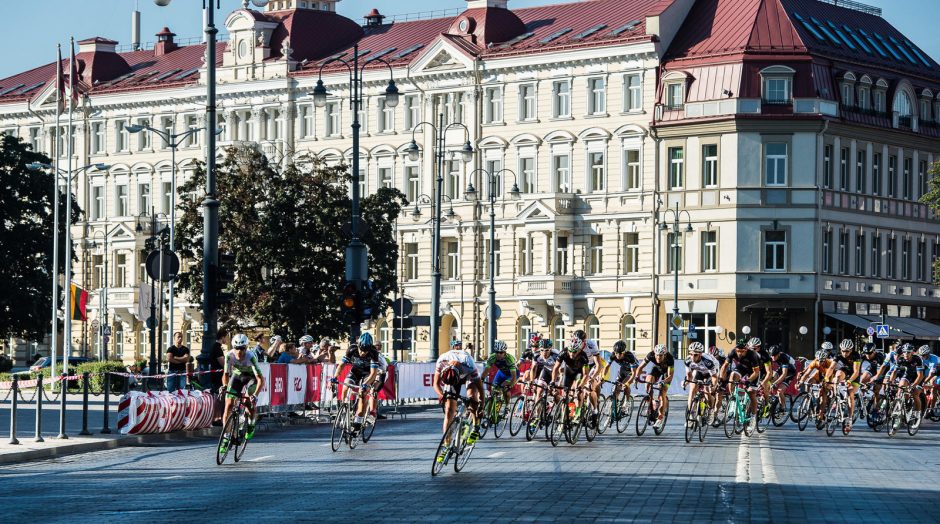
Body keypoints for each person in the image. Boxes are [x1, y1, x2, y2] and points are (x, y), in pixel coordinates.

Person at [432, 340, 485, 445]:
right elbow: (436, 384)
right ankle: (446, 442)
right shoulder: (442, 361)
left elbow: (481, 389)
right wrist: (442, 395)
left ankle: (476, 425)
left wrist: (481, 406)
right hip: (452, 378)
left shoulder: (468, 364)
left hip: (468, 376)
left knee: (472, 397)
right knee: (449, 410)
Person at [219, 333, 265, 452]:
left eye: (242, 348)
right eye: (237, 348)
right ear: (233, 347)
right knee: (228, 405)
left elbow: (260, 379)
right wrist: (224, 386)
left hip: (251, 378)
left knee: (248, 401)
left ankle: (251, 422)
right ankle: (226, 437)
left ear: (246, 347)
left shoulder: (251, 356)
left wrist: (255, 394)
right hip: (238, 376)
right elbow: (226, 374)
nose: (239, 351)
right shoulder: (229, 356)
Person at [333, 333, 382, 433]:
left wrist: (366, 384)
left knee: (362, 393)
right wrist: (335, 377)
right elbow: (341, 365)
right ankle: (343, 408)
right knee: (345, 387)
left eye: (365, 351)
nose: (363, 353)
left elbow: (373, 373)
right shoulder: (352, 349)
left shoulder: (373, 352)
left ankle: (358, 421)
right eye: (361, 350)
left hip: (368, 375)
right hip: (355, 371)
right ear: (358, 345)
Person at [720, 341, 762, 431]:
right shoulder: (732, 352)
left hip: (754, 371)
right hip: (742, 367)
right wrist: (721, 380)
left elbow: (756, 372)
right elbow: (724, 366)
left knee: (751, 392)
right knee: (732, 376)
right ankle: (733, 399)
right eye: (738, 351)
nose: (739, 353)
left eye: (742, 351)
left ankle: (753, 417)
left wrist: (748, 380)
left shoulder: (752, 355)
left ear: (746, 349)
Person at [826, 339, 861, 431]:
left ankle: (849, 418)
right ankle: (835, 397)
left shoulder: (856, 355)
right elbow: (831, 367)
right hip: (845, 370)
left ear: (851, 350)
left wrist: (849, 381)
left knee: (850, 394)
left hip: (854, 375)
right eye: (843, 351)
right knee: (837, 377)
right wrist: (826, 378)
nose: (844, 353)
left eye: (847, 351)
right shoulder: (838, 355)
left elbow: (856, 371)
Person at [602, 340, 639, 419]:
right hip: (623, 368)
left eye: (620, 353)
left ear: (624, 352)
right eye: (616, 353)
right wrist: (602, 377)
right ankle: (616, 402)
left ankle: (626, 403)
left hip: (632, 370)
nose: (617, 355)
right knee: (616, 387)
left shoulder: (629, 356)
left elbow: (633, 373)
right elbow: (606, 367)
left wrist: (628, 383)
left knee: (625, 385)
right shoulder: (613, 355)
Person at [641, 344, 675, 429]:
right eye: (657, 355)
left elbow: (670, 376)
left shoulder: (670, 359)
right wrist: (636, 377)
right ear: (654, 353)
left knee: (662, 393)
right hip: (656, 369)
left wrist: (663, 382)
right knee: (648, 384)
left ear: (665, 355)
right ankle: (652, 404)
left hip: (666, 374)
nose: (658, 357)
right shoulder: (651, 355)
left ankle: (660, 418)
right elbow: (640, 367)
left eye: (660, 355)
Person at [683, 342, 720, 415]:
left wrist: (713, 386)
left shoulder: (708, 361)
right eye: (691, 354)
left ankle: (711, 409)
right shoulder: (688, 360)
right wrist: (686, 383)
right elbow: (689, 376)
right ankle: (690, 413)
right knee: (692, 388)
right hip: (699, 371)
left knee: (707, 390)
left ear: (700, 354)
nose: (692, 357)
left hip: (711, 373)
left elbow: (714, 377)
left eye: (695, 355)